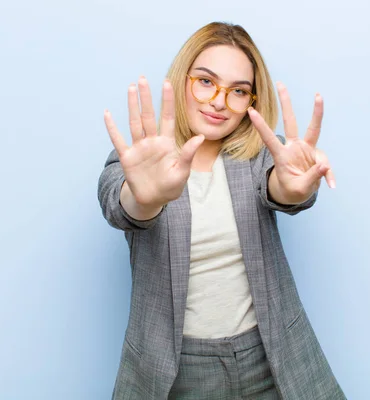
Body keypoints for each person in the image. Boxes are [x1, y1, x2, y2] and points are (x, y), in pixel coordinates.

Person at [98, 21, 346, 400]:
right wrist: (145, 197)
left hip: (271, 353)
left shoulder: (264, 155)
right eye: (206, 81)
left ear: (251, 103)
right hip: (179, 367)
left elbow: (280, 187)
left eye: (238, 91)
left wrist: (295, 188)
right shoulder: (141, 162)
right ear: (182, 80)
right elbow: (122, 204)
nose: (218, 101)